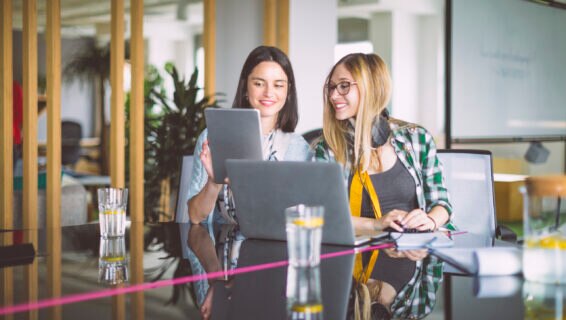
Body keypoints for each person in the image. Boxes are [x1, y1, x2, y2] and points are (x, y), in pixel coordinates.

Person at [313, 53, 453, 318]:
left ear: (372, 86)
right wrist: (377, 224)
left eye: (344, 86)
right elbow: (322, 216)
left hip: (417, 254)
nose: (334, 95)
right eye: (331, 87)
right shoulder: (327, 149)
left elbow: (442, 204)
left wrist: (431, 220)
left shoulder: (416, 139)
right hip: (350, 260)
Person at [188, 46, 311, 224]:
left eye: (278, 85)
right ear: (246, 87)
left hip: (275, 248)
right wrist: (213, 183)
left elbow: (301, 218)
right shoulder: (212, 137)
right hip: (223, 246)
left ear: (288, 91)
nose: (269, 92)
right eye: (259, 83)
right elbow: (194, 217)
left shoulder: (299, 149)